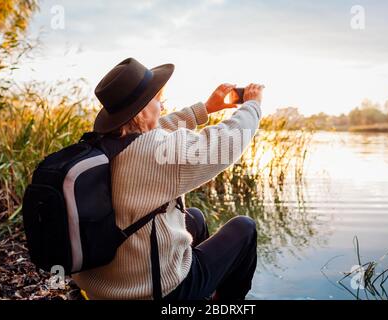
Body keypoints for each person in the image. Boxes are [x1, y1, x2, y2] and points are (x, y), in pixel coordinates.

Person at [72, 57, 264, 300]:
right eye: (157, 100)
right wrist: (252, 105)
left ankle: (202, 294)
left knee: (194, 217)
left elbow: (157, 129)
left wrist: (205, 109)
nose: (161, 105)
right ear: (142, 112)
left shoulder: (101, 145)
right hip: (151, 292)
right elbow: (230, 139)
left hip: (103, 287)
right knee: (245, 229)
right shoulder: (161, 153)